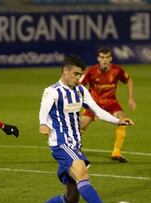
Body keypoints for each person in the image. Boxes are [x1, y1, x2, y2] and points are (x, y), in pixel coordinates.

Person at [39, 55, 134, 203]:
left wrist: (118, 121)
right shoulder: (52, 91)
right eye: (76, 74)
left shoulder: (81, 90)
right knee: (82, 175)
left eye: (80, 74)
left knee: (71, 198)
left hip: (75, 145)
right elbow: (43, 111)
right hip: (61, 144)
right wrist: (43, 124)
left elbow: (98, 110)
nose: (78, 78)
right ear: (65, 71)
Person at [80, 47, 136, 163]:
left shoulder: (117, 70)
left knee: (123, 120)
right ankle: (75, 150)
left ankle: (116, 152)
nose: (104, 60)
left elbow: (129, 80)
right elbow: (80, 86)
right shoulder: (91, 71)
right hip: (94, 104)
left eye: (107, 57)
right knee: (81, 124)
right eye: (102, 57)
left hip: (111, 103)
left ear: (110, 58)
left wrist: (131, 99)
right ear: (98, 59)